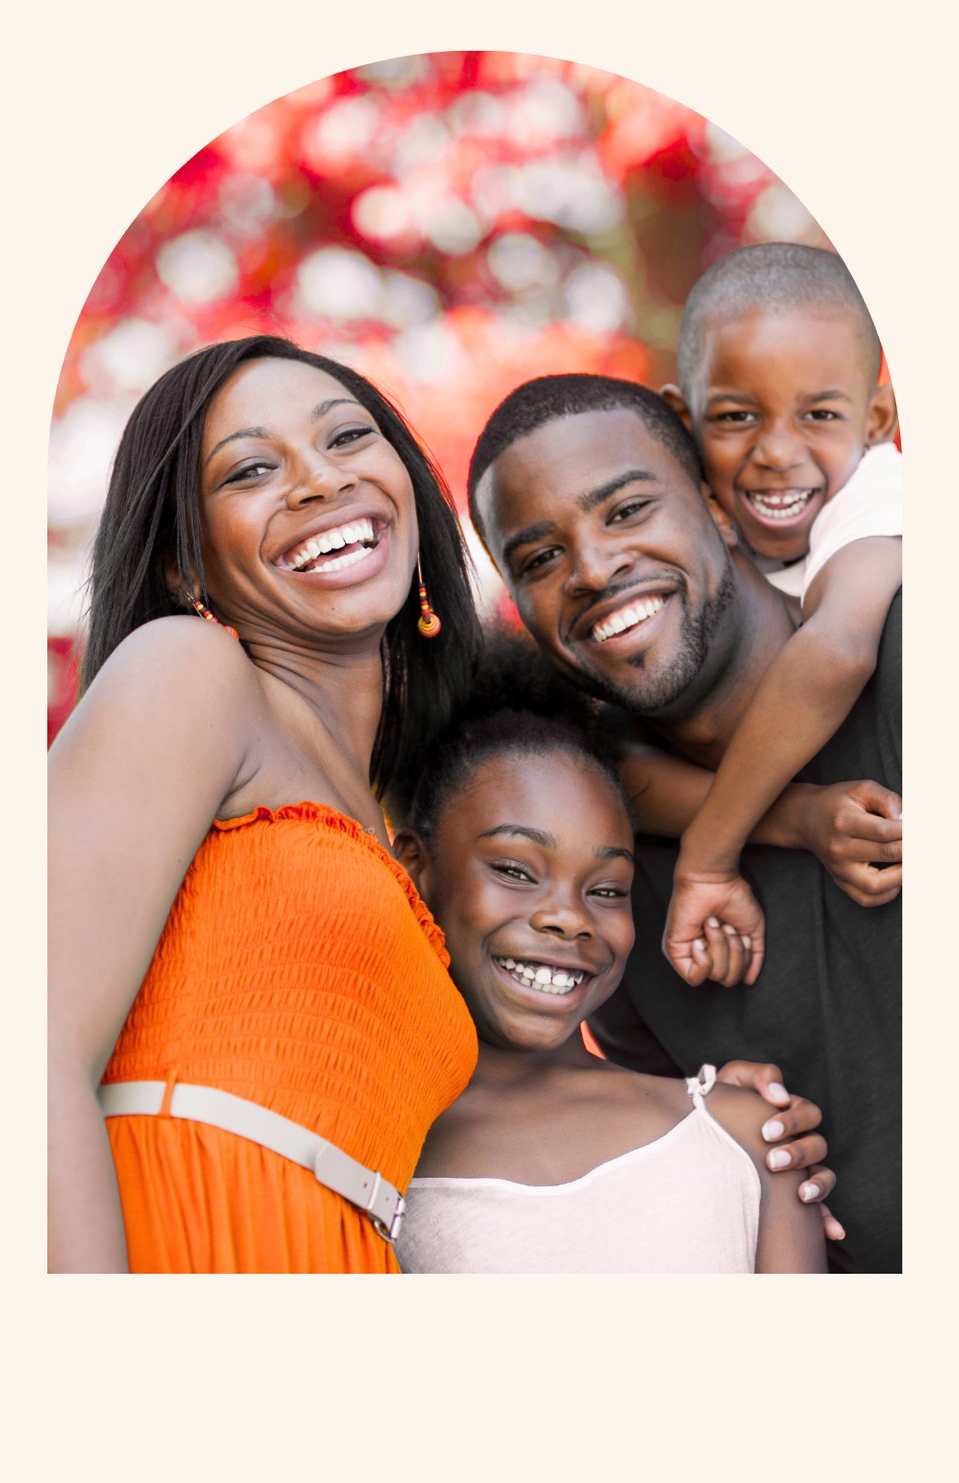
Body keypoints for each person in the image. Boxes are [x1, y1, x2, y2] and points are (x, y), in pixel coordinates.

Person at [48, 336, 483, 1272]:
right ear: (185, 567)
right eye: (250, 468)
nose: (320, 481)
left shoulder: (385, 827)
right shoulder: (192, 674)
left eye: (349, 438)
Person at [465, 373, 901, 1272]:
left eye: (626, 510)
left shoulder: (910, 661)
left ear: (714, 498)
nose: (590, 569)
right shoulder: (599, 884)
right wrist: (703, 1126)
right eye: (539, 560)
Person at [386, 660, 824, 1272]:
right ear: (415, 869)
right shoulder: (370, 1167)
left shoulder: (745, 1136)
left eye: (607, 889)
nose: (570, 918)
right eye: (515, 871)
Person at [633, 243, 904, 984]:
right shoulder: (697, 526)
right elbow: (619, 771)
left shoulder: (879, 493)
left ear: (877, 418)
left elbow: (838, 652)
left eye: (819, 413)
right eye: (736, 416)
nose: (778, 451)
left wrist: (708, 856)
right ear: (681, 422)